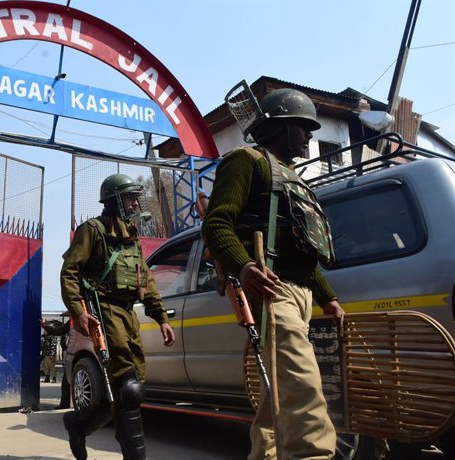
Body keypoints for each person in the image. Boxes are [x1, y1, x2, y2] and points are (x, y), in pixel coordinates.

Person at [201, 88, 345, 459]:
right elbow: (216, 224)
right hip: (271, 290)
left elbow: (302, 251)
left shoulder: (293, 178)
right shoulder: (247, 161)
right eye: (303, 128)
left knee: (278, 396)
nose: (310, 136)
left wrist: (328, 298)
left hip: (300, 297)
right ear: (281, 127)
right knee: (305, 394)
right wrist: (244, 266)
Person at [60, 173, 176, 460]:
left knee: (128, 390)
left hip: (128, 314)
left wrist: (161, 317)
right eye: (129, 197)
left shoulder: (131, 237)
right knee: (129, 389)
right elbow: (70, 272)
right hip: (105, 310)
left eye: (135, 197)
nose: (136, 202)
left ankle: (79, 424)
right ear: (114, 201)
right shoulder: (93, 230)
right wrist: (80, 313)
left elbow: (145, 281)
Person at [41, 317, 72, 409]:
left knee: (67, 379)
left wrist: (45, 326)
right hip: (73, 351)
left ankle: (66, 403)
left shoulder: (75, 319)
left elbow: (59, 331)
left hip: (73, 351)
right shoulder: (73, 320)